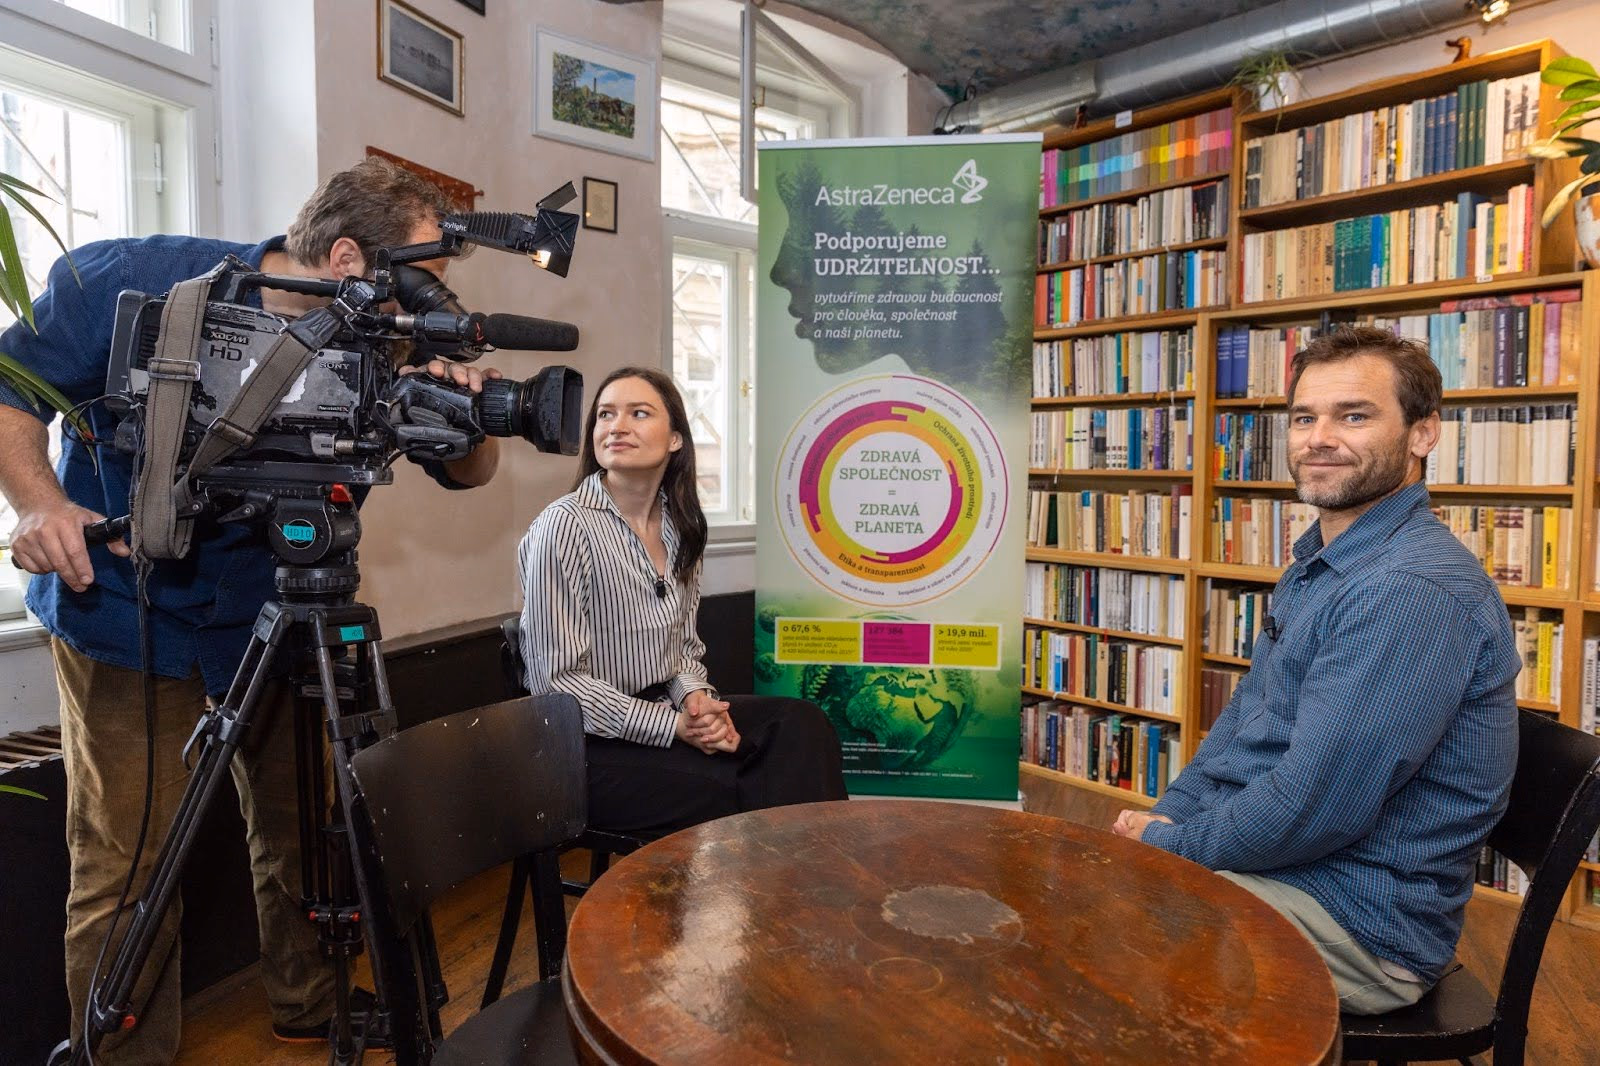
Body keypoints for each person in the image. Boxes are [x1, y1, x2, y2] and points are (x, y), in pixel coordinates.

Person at [0, 157, 502, 1062]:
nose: (423, 297)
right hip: (124, 610)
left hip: (275, 614)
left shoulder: (383, 340)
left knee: (302, 832)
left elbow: (469, 473)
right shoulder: (132, 283)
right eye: (416, 273)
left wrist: (467, 416)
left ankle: (307, 1001)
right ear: (347, 257)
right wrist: (39, 502)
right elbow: (7, 387)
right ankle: (122, 1053)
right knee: (128, 859)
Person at [1111, 326, 1519, 1016]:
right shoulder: (1319, 562)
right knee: (1091, 898)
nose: (1318, 438)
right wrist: (1170, 815)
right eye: (1304, 417)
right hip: (1295, 871)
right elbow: (1246, 724)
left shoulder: (1408, 588)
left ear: (1424, 434)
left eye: (1353, 415)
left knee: (1093, 939)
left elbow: (1315, 807)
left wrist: (1174, 847)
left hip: (1358, 920)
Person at [517, 366, 847, 836]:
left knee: (800, 725)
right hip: (583, 751)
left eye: (639, 413)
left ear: (675, 439)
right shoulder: (565, 526)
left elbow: (683, 652)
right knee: (758, 780)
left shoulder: (681, 526)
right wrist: (672, 727)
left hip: (663, 718)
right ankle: (792, 901)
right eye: (605, 414)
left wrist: (697, 704)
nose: (617, 426)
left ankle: (808, 894)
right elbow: (558, 684)